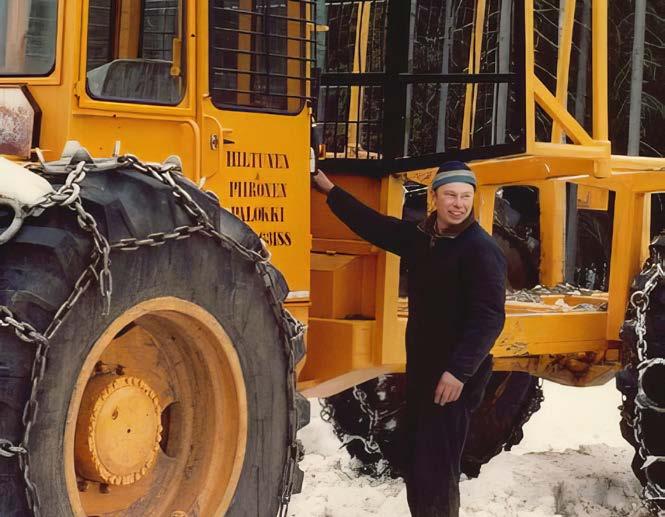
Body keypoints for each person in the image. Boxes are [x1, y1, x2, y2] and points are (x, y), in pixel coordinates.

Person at [312, 161, 507, 517]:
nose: (458, 204)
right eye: (451, 195)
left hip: (453, 380)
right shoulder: (424, 239)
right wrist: (330, 190)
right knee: (417, 464)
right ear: (435, 197)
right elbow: (375, 226)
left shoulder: (480, 249)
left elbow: (490, 318)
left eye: (465, 196)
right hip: (423, 371)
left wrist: (458, 372)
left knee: (437, 468)